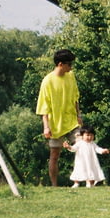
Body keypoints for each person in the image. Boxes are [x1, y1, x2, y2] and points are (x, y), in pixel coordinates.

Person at [36, 49, 83, 186]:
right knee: (54, 155)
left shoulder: (71, 76)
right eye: (69, 64)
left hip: (72, 121)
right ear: (61, 64)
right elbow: (44, 106)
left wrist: (78, 115)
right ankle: (54, 185)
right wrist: (46, 127)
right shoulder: (47, 81)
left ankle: (80, 181)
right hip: (55, 124)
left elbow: (75, 98)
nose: (71, 67)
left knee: (82, 147)